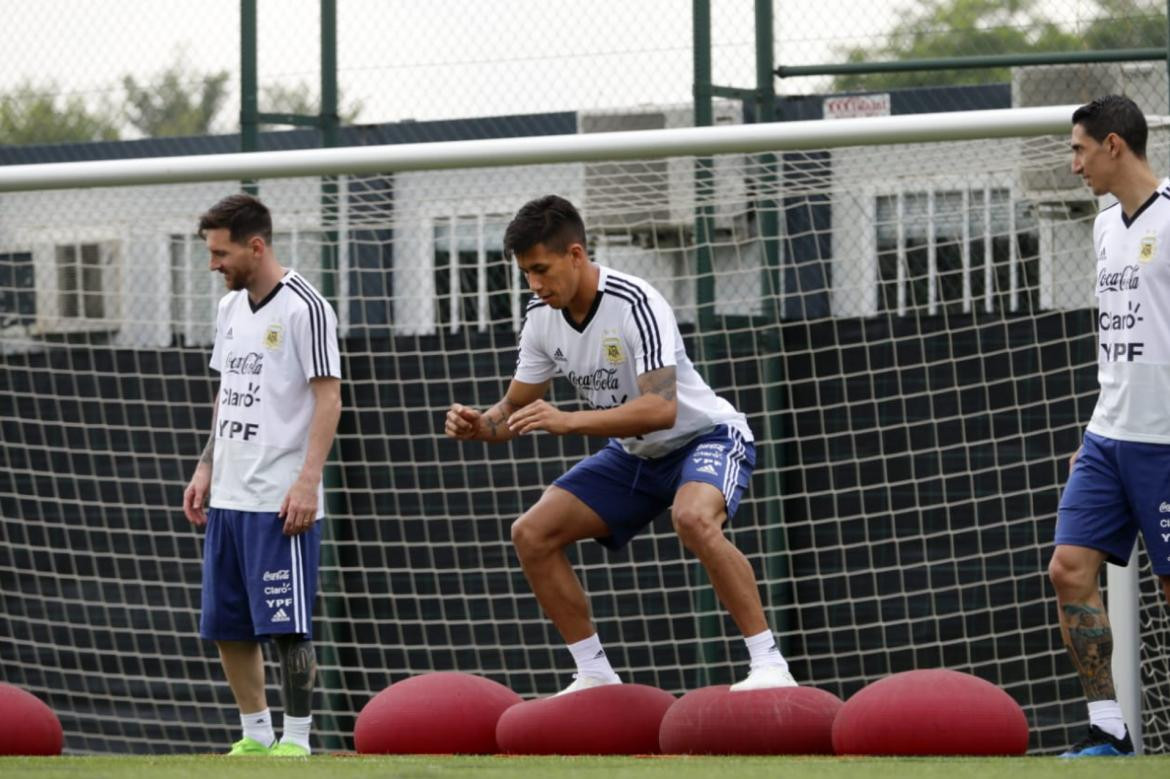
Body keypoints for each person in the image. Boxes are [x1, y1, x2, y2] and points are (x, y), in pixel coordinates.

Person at [445, 194, 795, 695]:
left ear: (576, 255)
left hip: (703, 437)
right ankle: (594, 673)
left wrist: (569, 421)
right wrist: (480, 424)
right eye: (526, 274)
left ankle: (768, 664)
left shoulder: (636, 301)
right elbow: (512, 410)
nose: (536, 285)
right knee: (531, 534)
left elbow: (661, 409)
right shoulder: (540, 316)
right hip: (635, 453)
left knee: (693, 519)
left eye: (542, 269)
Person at [182, 194, 342, 757]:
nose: (213, 265)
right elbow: (228, 393)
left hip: (280, 497)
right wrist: (206, 464)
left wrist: (307, 481)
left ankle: (296, 740)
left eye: (221, 253)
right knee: (227, 624)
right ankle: (255, 733)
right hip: (229, 492)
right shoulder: (229, 310)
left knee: (288, 625)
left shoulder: (306, 307)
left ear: (256, 246)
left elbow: (329, 399)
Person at [1049, 94, 1170, 758]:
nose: (1074, 164)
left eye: (1079, 149)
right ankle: (1108, 728)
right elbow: (1116, 337)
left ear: (1115, 145)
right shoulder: (1102, 227)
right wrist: (1095, 431)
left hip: (1166, 441)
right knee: (1069, 568)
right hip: (1108, 438)